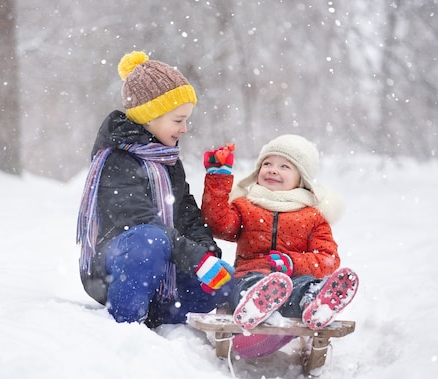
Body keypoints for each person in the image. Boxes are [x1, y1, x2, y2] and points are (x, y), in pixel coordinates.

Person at [76, 51, 235, 328]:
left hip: (163, 269)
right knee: (148, 240)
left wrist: (207, 254)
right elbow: (139, 222)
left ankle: (162, 314)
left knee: (226, 282)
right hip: (115, 268)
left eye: (187, 120)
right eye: (178, 120)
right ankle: (126, 322)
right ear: (149, 117)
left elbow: (186, 213)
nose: (185, 129)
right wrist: (195, 259)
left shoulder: (168, 160)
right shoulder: (117, 160)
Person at [201, 135, 359, 359]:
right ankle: (256, 301)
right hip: (250, 275)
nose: (273, 170)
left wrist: (292, 263)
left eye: (284, 166)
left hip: (293, 280)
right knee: (246, 285)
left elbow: (328, 258)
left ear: (301, 178)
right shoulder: (246, 206)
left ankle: (315, 301)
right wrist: (218, 178)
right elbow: (218, 225)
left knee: (304, 285)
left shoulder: (313, 216)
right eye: (267, 164)